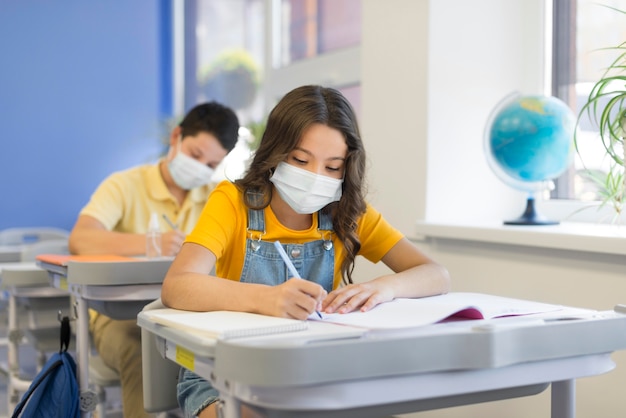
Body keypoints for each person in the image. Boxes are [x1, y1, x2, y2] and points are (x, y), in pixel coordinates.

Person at [161, 85, 451, 418]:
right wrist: (266, 299)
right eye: (300, 160)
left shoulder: (349, 213)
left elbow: (436, 274)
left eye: (332, 167)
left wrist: (383, 288)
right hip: (226, 373)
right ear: (275, 151)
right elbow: (177, 285)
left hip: (313, 370)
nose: (315, 177)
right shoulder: (233, 203)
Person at [68, 101, 240, 418]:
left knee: (233, 354)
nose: (200, 168)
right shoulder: (124, 185)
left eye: (211, 164)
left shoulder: (219, 198)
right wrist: (150, 244)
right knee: (141, 347)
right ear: (176, 137)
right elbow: (81, 239)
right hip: (120, 318)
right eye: (195, 155)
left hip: (190, 316)